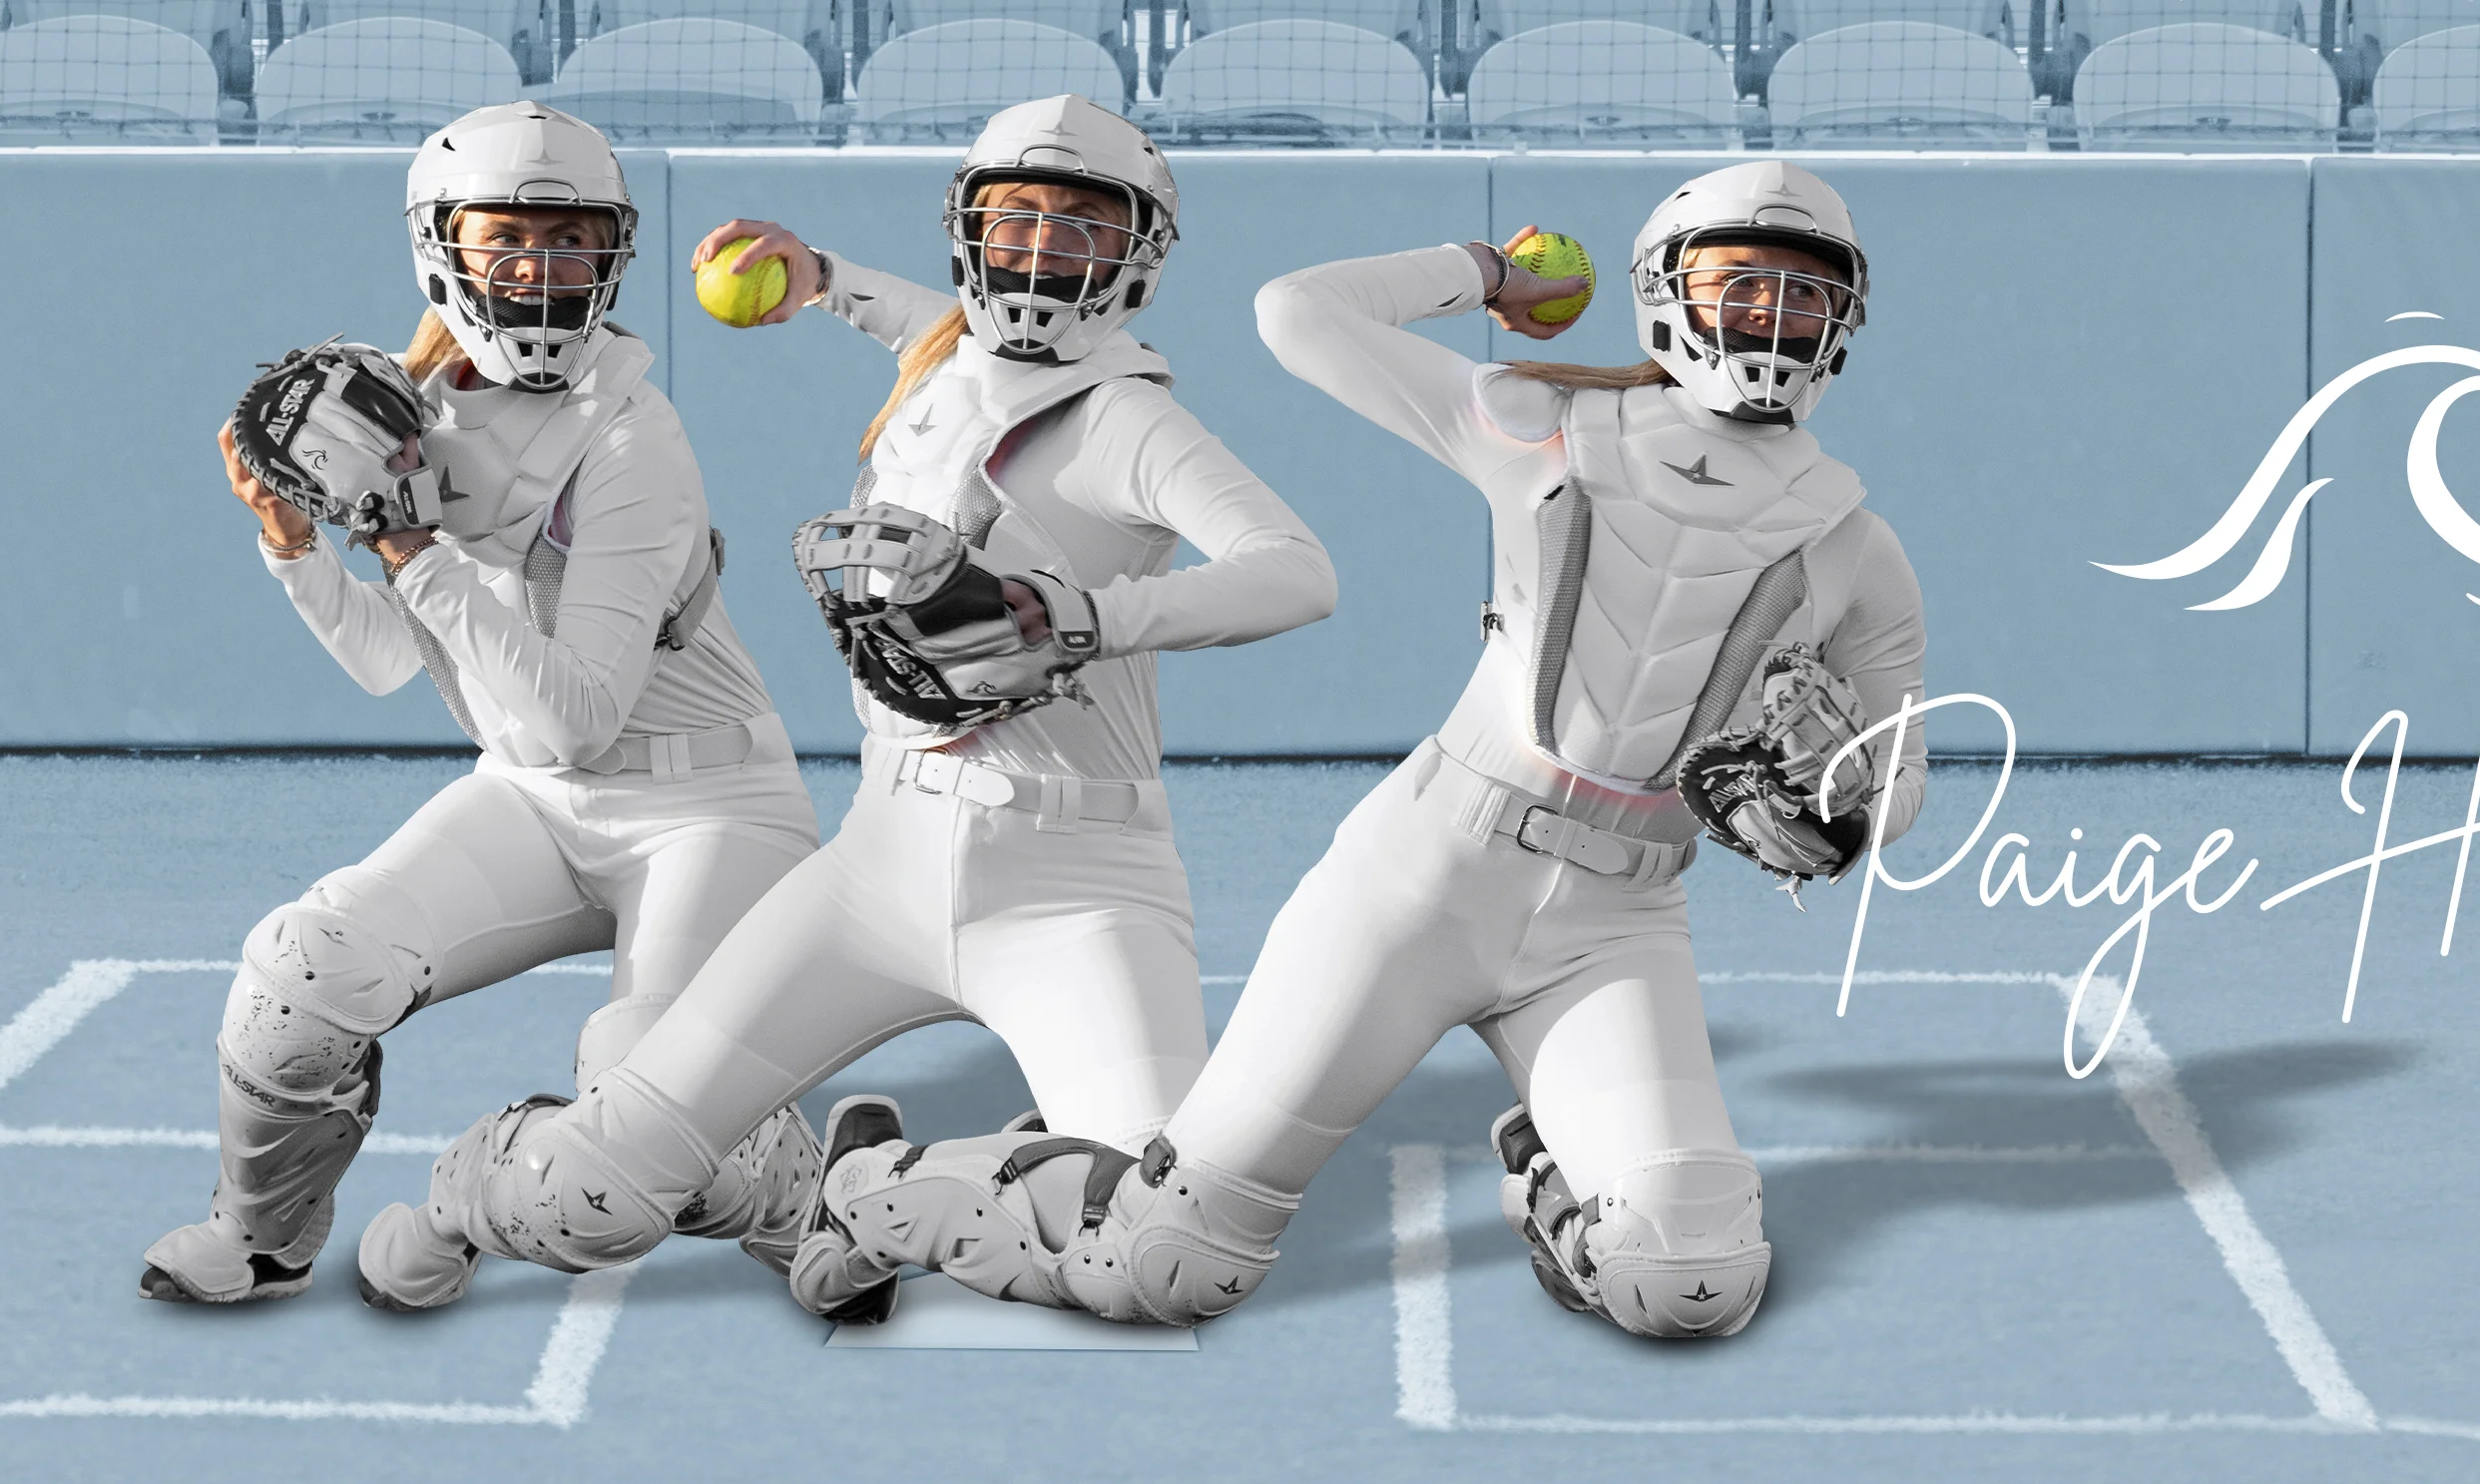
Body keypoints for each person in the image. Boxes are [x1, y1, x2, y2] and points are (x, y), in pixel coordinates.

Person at [795, 160, 1930, 1340]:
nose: (1771, 317)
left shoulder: (1854, 541)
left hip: (1619, 921)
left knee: (1690, 1282)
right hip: (1421, 880)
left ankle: (1556, 1175)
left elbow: (1895, 764)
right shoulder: (1543, 423)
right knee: (1172, 1260)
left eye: (1804, 294)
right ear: (1663, 292)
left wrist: (1844, 814)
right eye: (1739, 282)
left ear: (1842, 321)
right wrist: (1484, 273)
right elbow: (1297, 312)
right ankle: (878, 1188)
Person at [354, 95, 1337, 1321]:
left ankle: (876, 1189)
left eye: (1078, 227)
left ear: (1135, 257)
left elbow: (1298, 572)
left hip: (1080, 883)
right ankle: (459, 1203)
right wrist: (818, 275)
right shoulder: (950, 361)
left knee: (1164, 1256)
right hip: (882, 859)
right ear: (966, 230)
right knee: (591, 1196)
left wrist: (1079, 616)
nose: (1036, 253)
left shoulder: (1131, 418)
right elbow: (925, 329)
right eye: (1011, 219)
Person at [142, 102, 823, 1305]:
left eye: (573, 241)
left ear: (612, 255)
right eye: (511, 238)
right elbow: (386, 665)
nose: (543, 271)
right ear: (440, 246)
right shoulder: (414, 403)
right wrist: (295, 544)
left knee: (645, 1124)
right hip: (531, 800)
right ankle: (263, 1234)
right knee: (304, 973)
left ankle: (812, 1194)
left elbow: (579, 720)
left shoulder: (630, 438)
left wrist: (410, 549)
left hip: (709, 804)